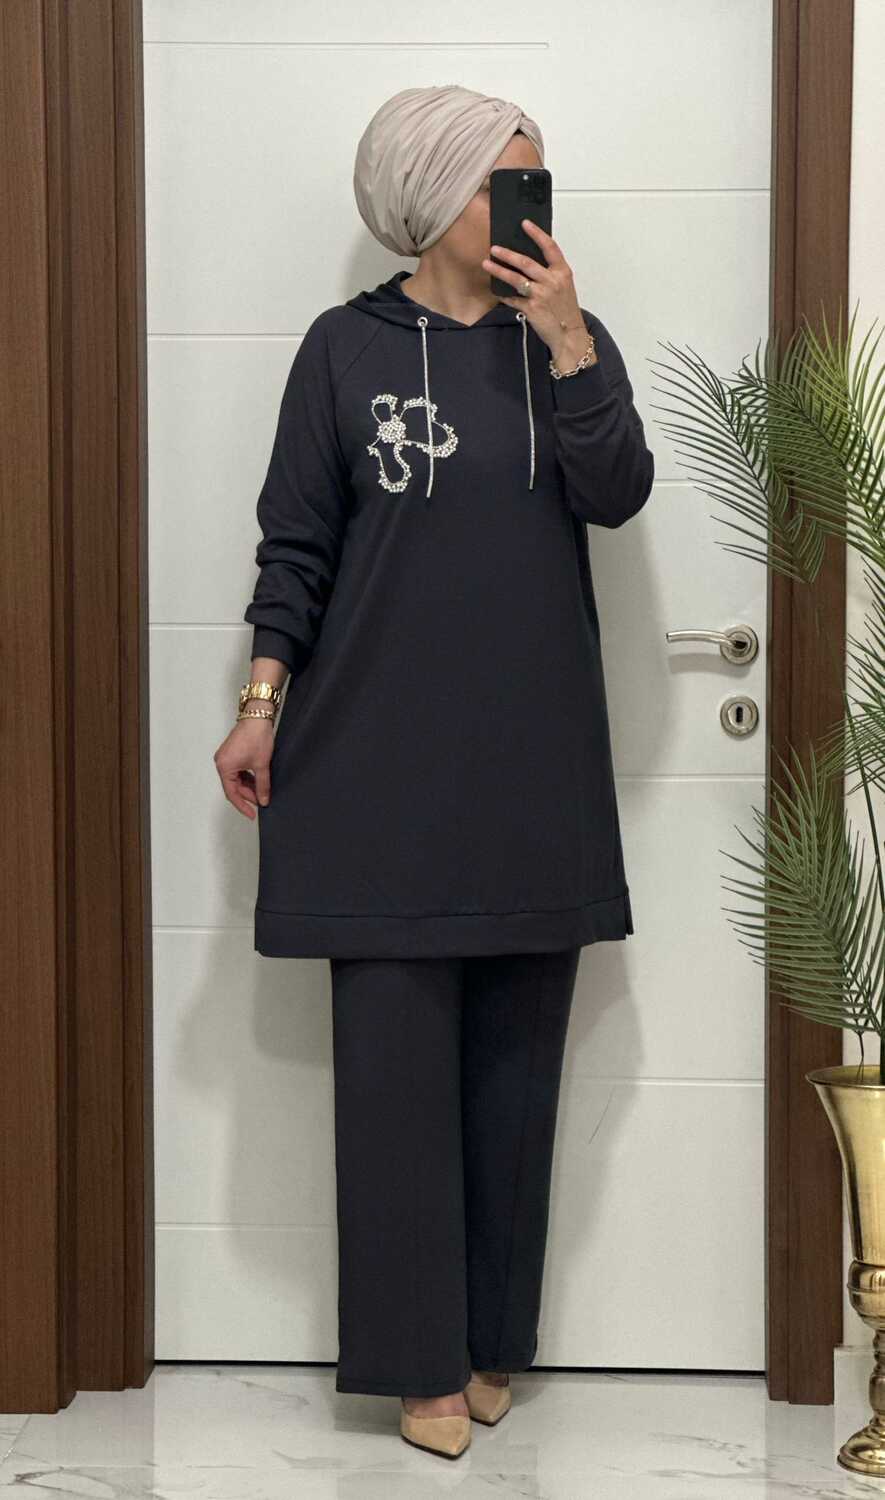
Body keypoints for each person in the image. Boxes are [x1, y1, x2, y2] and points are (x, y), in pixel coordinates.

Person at [213, 83, 654, 1461]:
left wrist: (569, 339)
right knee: (394, 1084)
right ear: (426, 197)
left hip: (531, 768)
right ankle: (414, 1364)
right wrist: (260, 702)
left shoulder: (565, 347)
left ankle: (485, 1344)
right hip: (375, 767)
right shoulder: (342, 350)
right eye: (498, 182)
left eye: (535, 180)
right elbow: (295, 543)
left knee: (516, 1083)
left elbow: (617, 492)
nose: (525, 207)